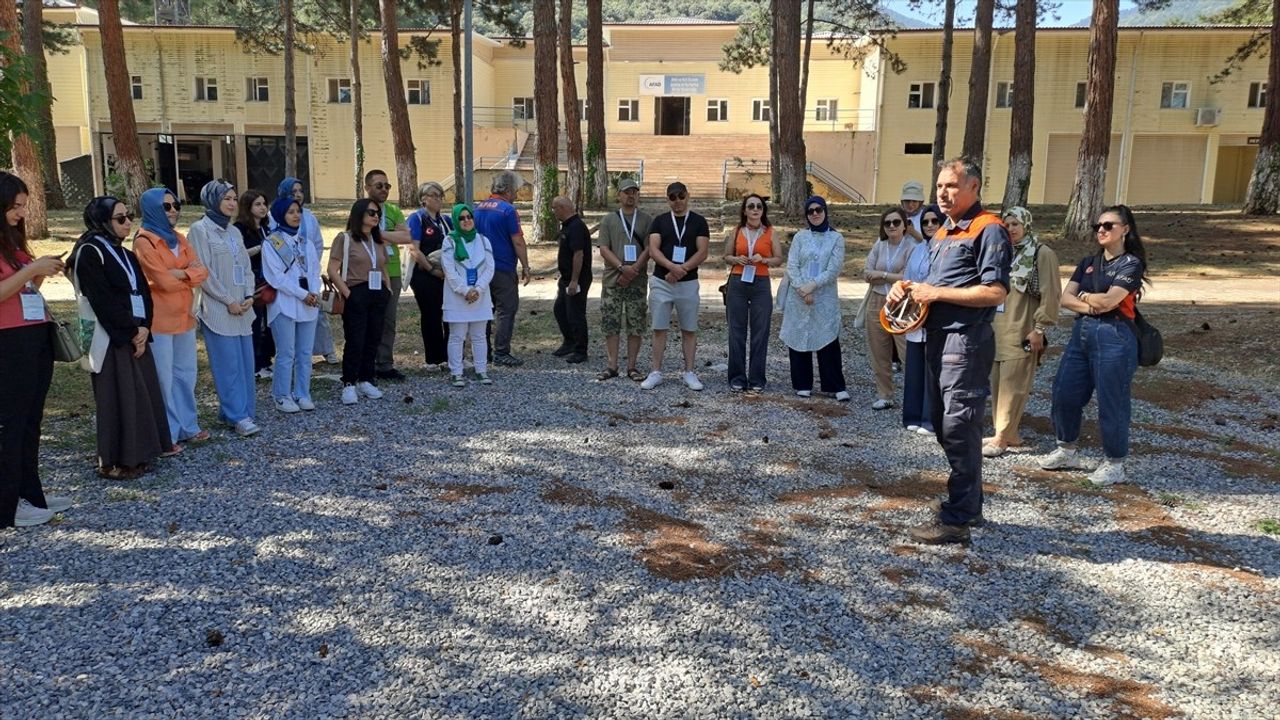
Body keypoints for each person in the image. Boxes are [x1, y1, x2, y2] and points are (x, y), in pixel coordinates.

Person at [887, 158, 1011, 545]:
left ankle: (957, 519)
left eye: (952, 186)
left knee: (959, 426)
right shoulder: (943, 231)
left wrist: (936, 293)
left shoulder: (988, 229)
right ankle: (968, 505)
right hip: (937, 338)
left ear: (973, 187)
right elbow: (931, 283)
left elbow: (995, 291)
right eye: (939, 186)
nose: (943, 193)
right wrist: (906, 288)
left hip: (966, 342)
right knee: (945, 425)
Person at [1039, 205, 1148, 487]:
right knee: (1064, 392)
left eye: (1109, 225)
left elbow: (1112, 301)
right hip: (1083, 333)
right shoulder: (1088, 262)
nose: (1101, 230)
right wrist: (1092, 303)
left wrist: (1086, 297)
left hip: (1116, 336)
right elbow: (1065, 299)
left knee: (1112, 401)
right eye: (1097, 226)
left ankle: (1115, 463)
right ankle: (1067, 449)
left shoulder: (1131, 264)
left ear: (1125, 230)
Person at [69, 196, 173, 478]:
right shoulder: (89, 252)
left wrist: (144, 327)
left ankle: (140, 453)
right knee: (118, 396)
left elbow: (144, 293)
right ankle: (116, 460)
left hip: (135, 332)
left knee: (141, 393)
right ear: (102, 221)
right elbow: (101, 299)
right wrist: (130, 332)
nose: (128, 223)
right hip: (112, 336)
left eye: (128, 216)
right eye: (120, 218)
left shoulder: (125, 254)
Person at [0, 172, 71, 527]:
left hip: (34, 337)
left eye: (24, 206)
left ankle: (30, 492)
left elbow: (25, 287)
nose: (22, 213)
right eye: (15, 207)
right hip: (8, 342)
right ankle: (8, 503)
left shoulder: (13, 244)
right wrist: (31, 268)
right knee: (11, 423)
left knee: (30, 422)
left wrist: (41, 271)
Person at [133, 187, 210, 448]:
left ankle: (189, 426)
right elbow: (162, 281)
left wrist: (179, 273)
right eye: (166, 206)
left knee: (186, 374)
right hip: (160, 321)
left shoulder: (179, 238)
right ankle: (168, 432)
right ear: (153, 209)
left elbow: (202, 271)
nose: (174, 210)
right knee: (163, 378)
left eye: (176, 204)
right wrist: (185, 274)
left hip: (184, 317)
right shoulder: (144, 241)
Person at [984, 206, 1061, 458]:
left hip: (1023, 328)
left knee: (1014, 382)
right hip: (997, 327)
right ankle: (1007, 432)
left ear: (1026, 225)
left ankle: (1000, 437)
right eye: (1007, 224)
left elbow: (1051, 294)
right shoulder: (1003, 252)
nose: (1011, 229)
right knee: (997, 382)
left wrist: (1039, 328)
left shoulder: (1041, 253)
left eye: (1016, 224)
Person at [189, 180, 260, 437]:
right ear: (212, 200)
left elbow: (245, 267)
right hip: (219, 310)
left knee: (244, 363)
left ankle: (241, 410)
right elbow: (202, 272)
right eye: (226, 198)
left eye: (233, 198)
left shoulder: (234, 232)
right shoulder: (200, 230)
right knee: (227, 365)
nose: (231, 203)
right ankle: (237, 415)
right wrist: (226, 299)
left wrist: (249, 295)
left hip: (242, 307)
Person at [779, 196, 850, 402]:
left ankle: (833, 384)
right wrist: (802, 288)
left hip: (824, 296)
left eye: (819, 209)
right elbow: (792, 265)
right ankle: (802, 383)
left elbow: (834, 269)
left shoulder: (836, 239)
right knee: (799, 336)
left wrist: (813, 285)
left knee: (827, 337)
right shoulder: (800, 237)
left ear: (825, 211)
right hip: (798, 295)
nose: (815, 214)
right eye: (810, 211)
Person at [641, 181, 710, 391]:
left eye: (681, 196)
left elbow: (702, 251)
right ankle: (655, 372)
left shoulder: (698, 221)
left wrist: (682, 270)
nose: (677, 201)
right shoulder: (660, 221)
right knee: (659, 327)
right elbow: (653, 249)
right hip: (663, 282)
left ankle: (689, 372)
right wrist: (671, 267)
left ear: (687, 196)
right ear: (667, 200)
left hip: (687, 283)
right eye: (673, 197)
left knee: (689, 328)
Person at [328, 198, 390, 405]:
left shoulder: (378, 240)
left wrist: (387, 289)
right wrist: (348, 293)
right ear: (359, 214)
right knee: (355, 339)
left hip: (378, 292)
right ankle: (349, 383)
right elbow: (331, 269)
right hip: (356, 291)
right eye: (371, 212)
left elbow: (383, 267)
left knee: (374, 337)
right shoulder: (344, 239)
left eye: (378, 213)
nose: (376, 216)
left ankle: (366, 379)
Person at [263, 197, 321, 413]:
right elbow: (276, 278)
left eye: (298, 211)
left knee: (305, 352)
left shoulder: (305, 242)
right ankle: (281, 395)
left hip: (309, 302)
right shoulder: (272, 243)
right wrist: (302, 294)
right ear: (280, 215)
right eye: (290, 212)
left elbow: (314, 270)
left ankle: (302, 392)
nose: (296, 215)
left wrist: (313, 292)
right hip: (285, 303)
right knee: (286, 352)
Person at [722, 193, 782, 393]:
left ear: (763, 211)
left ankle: (757, 379)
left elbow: (778, 259)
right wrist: (736, 259)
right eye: (751, 206)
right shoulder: (737, 230)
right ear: (745, 210)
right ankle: (737, 377)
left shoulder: (770, 232)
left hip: (761, 283)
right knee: (736, 331)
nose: (755, 210)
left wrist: (764, 260)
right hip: (738, 282)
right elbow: (726, 256)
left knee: (760, 331)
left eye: (759, 206)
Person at [594, 177, 651, 382]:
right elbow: (604, 248)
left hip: (637, 280)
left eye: (634, 192)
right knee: (611, 322)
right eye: (627, 192)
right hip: (613, 279)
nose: (631, 196)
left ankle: (632, 366)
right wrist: (621, 267)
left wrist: (633, 269)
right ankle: (612, 365)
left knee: (635, 323)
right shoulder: (609, 220)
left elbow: (649, 248)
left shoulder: (646, 220)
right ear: (619, 195)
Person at [275, 177, 337, 364]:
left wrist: (311, 266)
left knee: (315, 310)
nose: (298, 195)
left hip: (307, 273)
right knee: (290, 313)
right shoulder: (275, 215)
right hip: (287, 275)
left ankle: (326, 349)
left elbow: (317, 243)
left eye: (300, 191)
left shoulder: (309, 217)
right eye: (293, 192)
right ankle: (293, 353)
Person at [473, 171, 530, 366]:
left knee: (484, 310)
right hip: (502, 267)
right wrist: (526, 266)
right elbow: (518, 241)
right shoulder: (507, 210)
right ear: (506, 190)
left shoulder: (477, 208)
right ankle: (501, 352)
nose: (516, 194)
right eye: (514, 190)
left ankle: (483, 351)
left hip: (480, 268)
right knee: (506, 309)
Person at [863, 206, 914, 409]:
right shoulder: (879, 245)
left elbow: (908, 277)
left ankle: (913, 396)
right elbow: (867, 272)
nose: (891, 226)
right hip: (876, 300)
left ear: (904, 226)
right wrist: (893, 275)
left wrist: (882, 274)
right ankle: (884, 394)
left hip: (901, 303)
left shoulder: (911, 247)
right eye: (887, 223)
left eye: (896, 222)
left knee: (906, 350)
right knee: (879, 350)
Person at [441, 203, 495, 387]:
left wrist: (478, 289)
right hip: (458, 296)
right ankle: (456, 372)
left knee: (480, 335)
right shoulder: (449, 241)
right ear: (456, 220)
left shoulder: (483, 240)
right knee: (457, 335)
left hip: (480, 296)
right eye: (461, 218)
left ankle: (481, 370)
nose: (466, 221)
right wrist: (465, 290)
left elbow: (490, 267)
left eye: (469, 217)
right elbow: (449, 269)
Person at [365, 170, 411, 381]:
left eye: (387, 185)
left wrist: (380, 234)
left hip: (391, 271)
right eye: (379, 185)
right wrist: (390, 236)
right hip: (365, 271)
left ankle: (384, 364)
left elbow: (406, 235)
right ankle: (366, 362)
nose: (384, 189)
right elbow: (359, 234)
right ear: (367, 188)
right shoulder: (361, 209)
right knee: (368, 318)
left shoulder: (393, 210)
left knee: (388, 319)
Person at [902, 204, 942, 436]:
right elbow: (907, 279)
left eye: (933, 221)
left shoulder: (948, 249)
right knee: (914, 369)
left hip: (936, 315)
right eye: (925, 222)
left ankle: (930, 419)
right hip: (916, 315)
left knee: (932, 370)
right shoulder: (917, 250)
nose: (928, 226)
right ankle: (913, 415)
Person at [405, 181, 452, 371]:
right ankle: (433, 359)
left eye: (441, 195)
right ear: (423, 199)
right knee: (431, 315)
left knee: (449, 314)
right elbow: (413, 248)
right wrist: (431, 270)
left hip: (446, 275)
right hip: (425, 274)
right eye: (434, 195)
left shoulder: (446, 221)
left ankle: (451, 356)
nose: (439, 199)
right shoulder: (417, 219)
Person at [234, 190, 275, 379]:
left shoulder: (267, 227)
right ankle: (253, 364)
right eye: (257, 204)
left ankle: (265, 360)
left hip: (268, 279)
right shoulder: (240, 228)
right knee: (255, 322)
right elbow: (239, 255)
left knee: (268, 324)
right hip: (252, 280)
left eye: (264, 204)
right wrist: (261, 247)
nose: (262, 208)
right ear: (248, 207)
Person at [551, 196, 592, 365]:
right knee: (560, 309)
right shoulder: (567, 226)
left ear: (562, 208)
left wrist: (575, 281)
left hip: (577, 278)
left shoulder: (576, 227)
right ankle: (569, 342)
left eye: (554, 208)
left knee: (575, 314)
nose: (553, 212)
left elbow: (578, 254)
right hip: (566, 278)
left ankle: (580, 350)